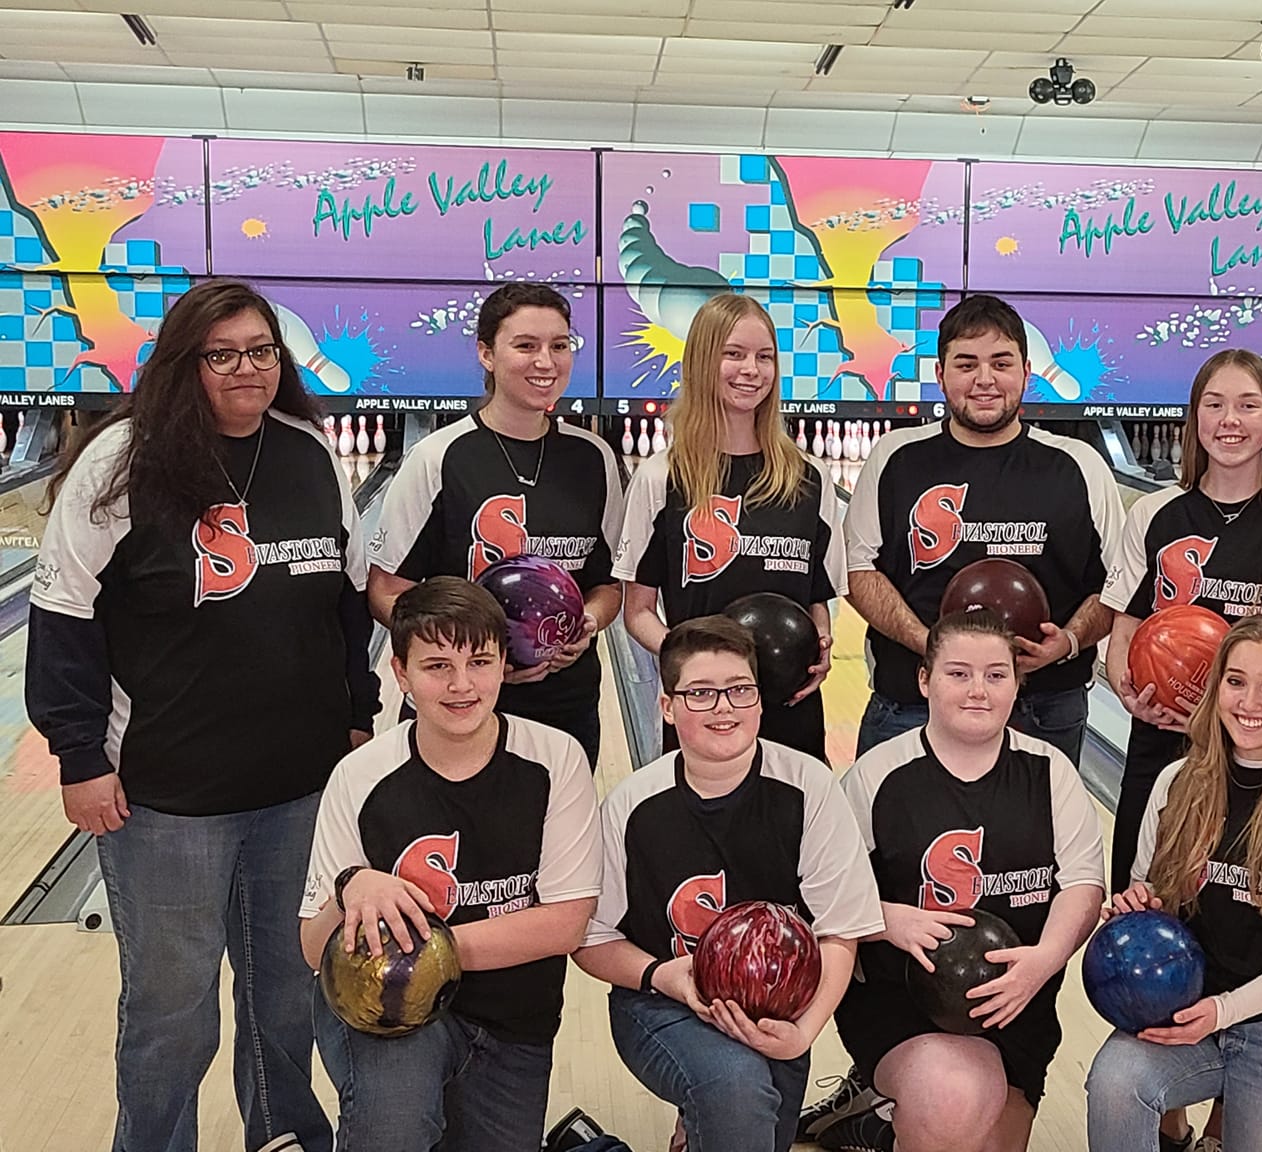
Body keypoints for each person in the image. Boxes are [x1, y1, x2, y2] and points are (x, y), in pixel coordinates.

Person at [25, 279, 378, 1152]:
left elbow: (345, 601)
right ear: (185, 363)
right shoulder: (122, 463)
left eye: (261, 351)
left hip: (297, 786)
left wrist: (358, 713)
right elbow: (63, 617)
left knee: (285, 996)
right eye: (223, 354)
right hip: (166, 798)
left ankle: (284, 1136)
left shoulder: (309, 450)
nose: (246, 368)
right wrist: (80, 758)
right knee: (171, 1012)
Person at [299, 576, 603, 1151]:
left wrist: (414, 953)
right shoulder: (360, 775)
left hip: (515, 1020)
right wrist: (350, 887)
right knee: (393, 1132)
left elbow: (566, 923)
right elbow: (315, 950)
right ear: (401, 673)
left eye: (479, 662)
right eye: (437, 666)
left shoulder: (556, 760)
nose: (461, 685)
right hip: (391, 1019)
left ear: (504, 665)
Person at [574, 616, 884, 1152]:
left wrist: (802, 1033)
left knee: (756, 1125)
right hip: (661, 1001)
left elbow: (840, 930)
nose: (724, 707)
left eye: (740, 689)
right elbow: (590, 939)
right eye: (700, 693)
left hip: (778, 1008)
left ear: (760, 701)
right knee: (736, 1090)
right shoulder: (631, 806)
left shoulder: (808, 786)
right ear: (667, 706)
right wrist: (663, 977)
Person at [1086, 613, 1262, 1152]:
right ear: (1215, 687)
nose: (1249, 702)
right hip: (1187, 1010)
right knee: (1116, 1083)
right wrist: (1139, 906)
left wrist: (1225, 1010)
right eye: (1236, 681)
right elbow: (1149, 889)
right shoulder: (1176, 783)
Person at [824, 609, 1106, 1152]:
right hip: (902, 1004)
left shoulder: (1051, 772)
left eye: (996, 675)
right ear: (924, 680)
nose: (978, 690)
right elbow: (823, 896)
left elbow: (1083, 886)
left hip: (1017, 999)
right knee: (955, 1100)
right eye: (958, 673)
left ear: (1016, 684)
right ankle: (902, 1101)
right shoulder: (876, 776)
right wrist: (887, 919)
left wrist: (1045, 960)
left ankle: (880, 1124)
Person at [1104, 347, 1262, 892]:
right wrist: (1131, 694)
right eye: (1214, 404)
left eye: (1248, 405)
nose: (1230, 420)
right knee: (1144, 909)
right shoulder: (1153, 515)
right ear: (1194, 417)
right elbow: (1123, 638)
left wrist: (1244, 710)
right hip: (1163, 750)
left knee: (1252, 922)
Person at [843, 294, 1122, 768]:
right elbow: (855, 569)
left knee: (1042, 821)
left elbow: (1119, 582)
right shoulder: (895, 456)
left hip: (1044, 706)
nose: (985, 379)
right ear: (940, 375)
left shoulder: (1080, 465)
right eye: (966, 364)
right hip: (912, 702)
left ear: (1027, 373)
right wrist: (934, 648)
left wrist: (1069, 641)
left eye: (1001, 363)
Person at [370, 282, 622, 767]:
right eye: (525, 345)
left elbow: (609, 585)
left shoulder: (595, 458)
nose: (545, 361)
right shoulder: (437, 457)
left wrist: (587, 623)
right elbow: (386, 591)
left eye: (559, 345)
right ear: (486, 353)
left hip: (565, 707)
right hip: (457, 704)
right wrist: (467, 656)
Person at [617, 293, 841, 760]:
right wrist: (695, 665)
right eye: (733, 354)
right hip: (703, 710)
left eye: (765, 357)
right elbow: (637, 611)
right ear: (702, 361)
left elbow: (816, 598)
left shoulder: (809, 477)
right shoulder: (661, 477)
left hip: (792, 706)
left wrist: (820, 647)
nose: (751, 370)